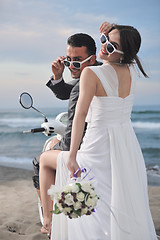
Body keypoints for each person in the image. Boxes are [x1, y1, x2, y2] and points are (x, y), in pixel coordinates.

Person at [40, 21, 157, 239]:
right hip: (125, 148)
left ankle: (48, 220)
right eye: (103, 41)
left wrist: (73, 155)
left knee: (46, 158)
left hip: (96, 146)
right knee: (113, 199)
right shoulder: (131, 70)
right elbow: (124, 47)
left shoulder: (91, 74)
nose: (103, 46)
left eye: (110, 46)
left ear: (123, 52)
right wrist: (112, 32)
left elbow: (80, 116)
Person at [36, 32, 102, 234]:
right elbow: (69, 91)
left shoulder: (87, 79)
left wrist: (63, 146)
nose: (72, 66)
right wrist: (57, 76)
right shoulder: (99, 72)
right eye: (69, 61)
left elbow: (76, 124)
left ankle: (49, 220)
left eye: (77, 61)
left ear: (92, 57)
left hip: (82, 148)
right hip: (103, 144)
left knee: (40, 160)